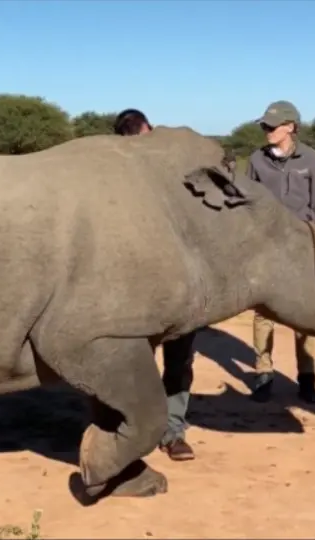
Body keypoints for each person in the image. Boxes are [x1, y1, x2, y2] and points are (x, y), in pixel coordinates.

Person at [112, 108, 196, 461]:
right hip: (135, 285)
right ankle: (130, 429)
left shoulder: (180, 171)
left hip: (180, 282)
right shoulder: (116, 178)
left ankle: (173, 430)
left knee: (179, 359)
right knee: (133, 362)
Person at [245, 101, 315, 405]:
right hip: (266, 244)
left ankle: (307, 380)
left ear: (291, 127)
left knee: (304, 312)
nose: (266, 130)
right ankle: (263, 374)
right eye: (264, 125)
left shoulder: (313, 160)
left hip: (303, 244)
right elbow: (247, 201)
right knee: (262, 310)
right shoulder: (256, 160)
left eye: (272, 125)